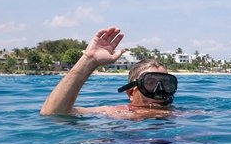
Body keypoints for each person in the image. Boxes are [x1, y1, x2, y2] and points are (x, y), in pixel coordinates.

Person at [40, 27, 177, 117]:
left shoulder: (179, 115)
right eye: (150, 83)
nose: (160, 90)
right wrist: (89, 60)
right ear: (131, 92)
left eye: (167, 84)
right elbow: (52, 113)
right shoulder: (115, 113)